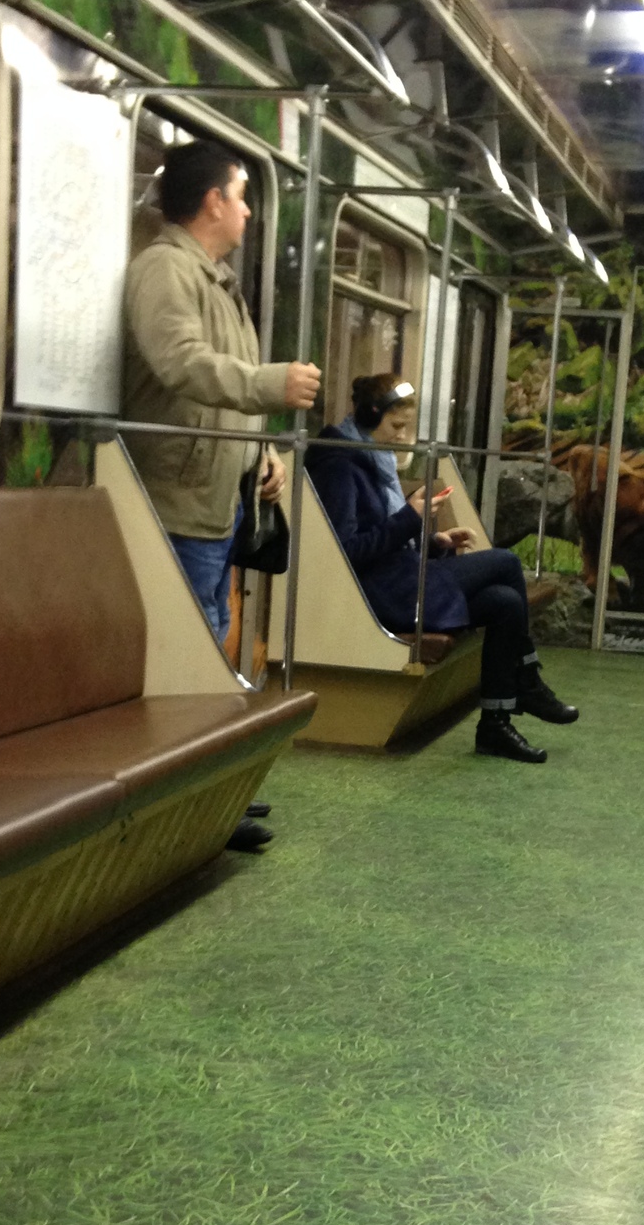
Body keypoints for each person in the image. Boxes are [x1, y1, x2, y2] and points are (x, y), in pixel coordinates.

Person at [124, 138, 321, 851]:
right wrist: (271, 385)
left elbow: (224, 388)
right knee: (189, 657)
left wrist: (260, 450)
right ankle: (192, 803)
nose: (246, 211)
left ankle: (210, 792)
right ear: (213, 202)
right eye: (242, 196)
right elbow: (181, 364)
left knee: (211, 649)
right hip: (176, 497)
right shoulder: (163, 273)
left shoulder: (216, 282)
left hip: (217, 494)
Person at [308, 373, 578, 764]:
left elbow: (385, 537)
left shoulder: (371, 459)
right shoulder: (340, 466)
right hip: (378, 593)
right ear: (368, 418)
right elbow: (347, 551)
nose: (403, 437)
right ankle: (528, 682)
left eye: (407, 427)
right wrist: (411, 518)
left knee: (503, 602)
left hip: (398, 576)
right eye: (396, 426)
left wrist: (436, 542)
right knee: (504, 562)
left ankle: (495, 724)